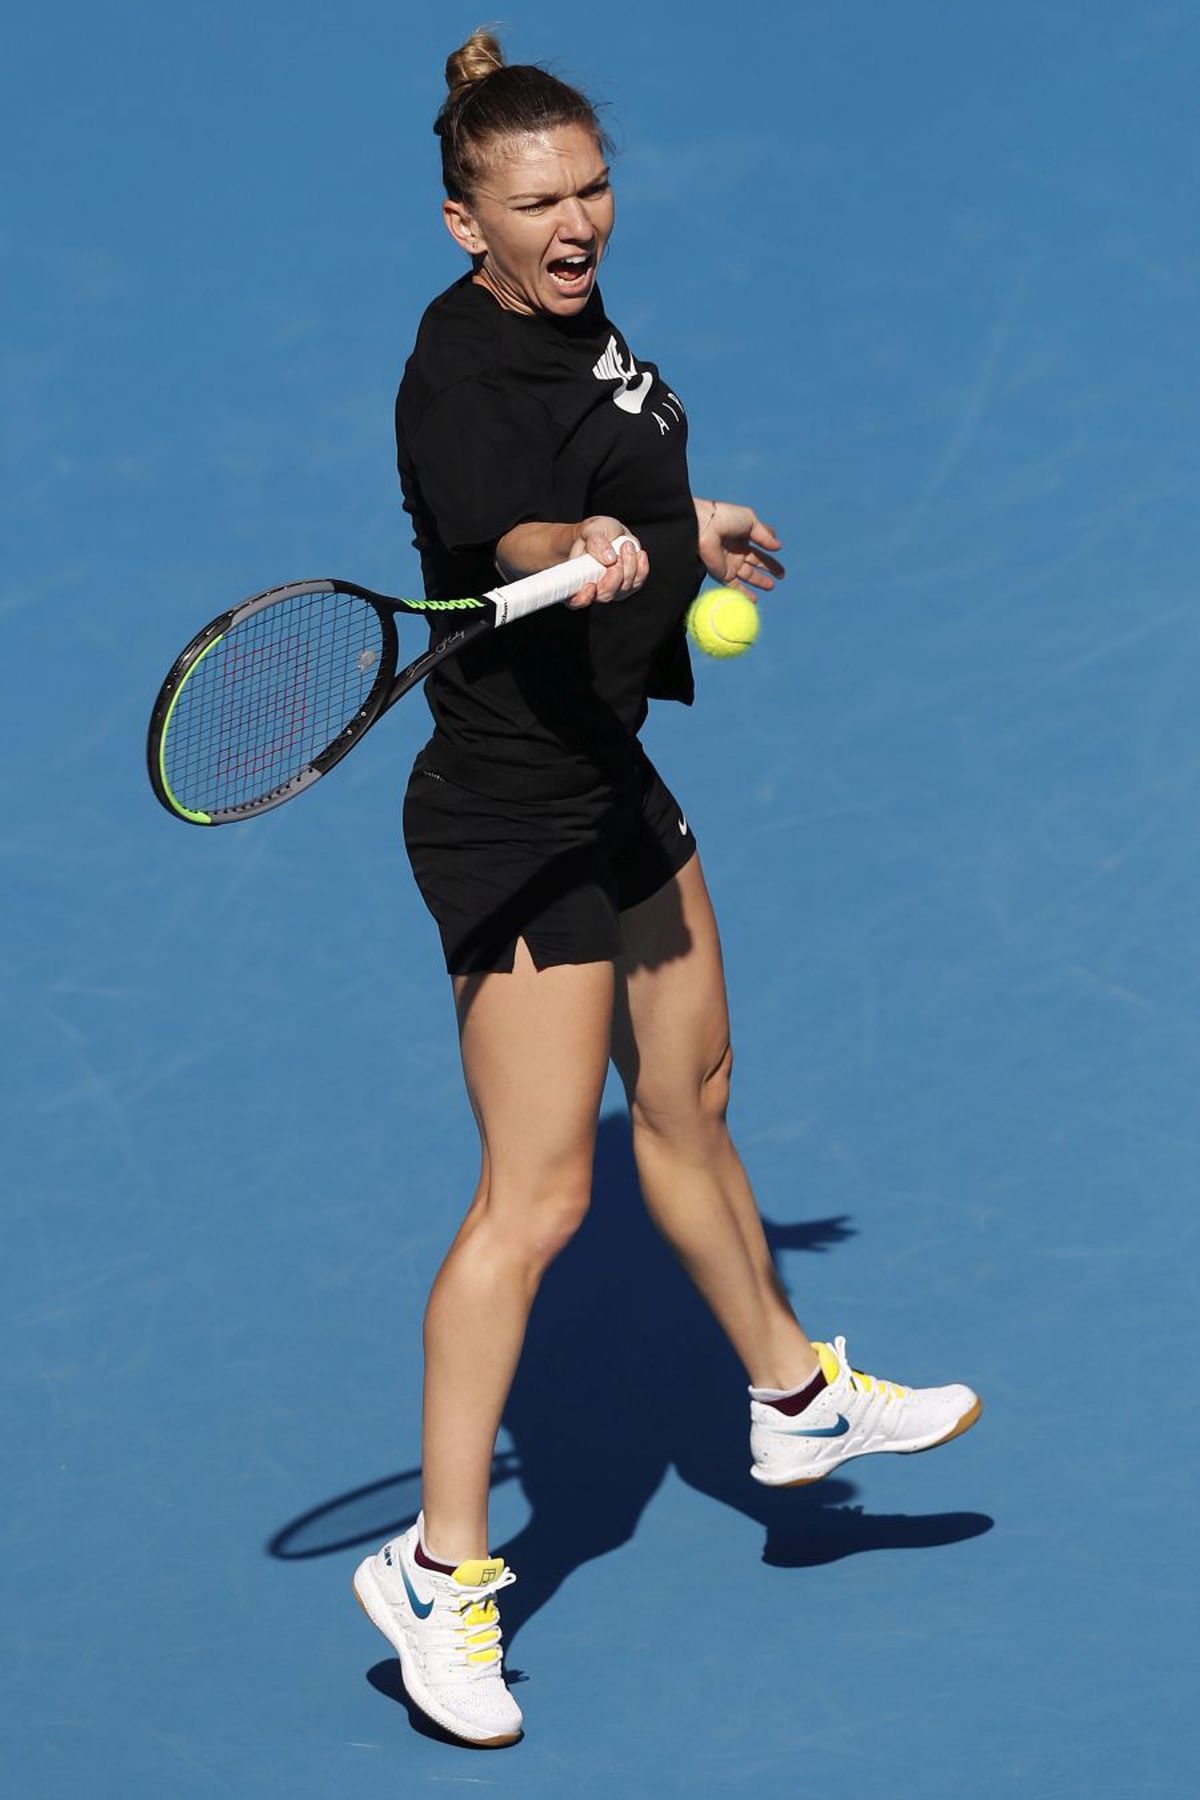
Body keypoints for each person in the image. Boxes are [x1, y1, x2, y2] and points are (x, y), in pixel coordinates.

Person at [352, 30, 981, 1750]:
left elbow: (610, 452)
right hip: (514, 820)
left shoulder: (565, 312)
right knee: (539, 1200)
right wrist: (576, 549)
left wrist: (680, 523)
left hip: (607, 775)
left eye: (592, 190)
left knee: (691, 1096)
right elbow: (513, 529)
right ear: (463, 223)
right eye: (535, 205)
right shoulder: (457, 376)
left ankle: (790, 1400)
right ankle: (436, 1573)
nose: (576, 225)